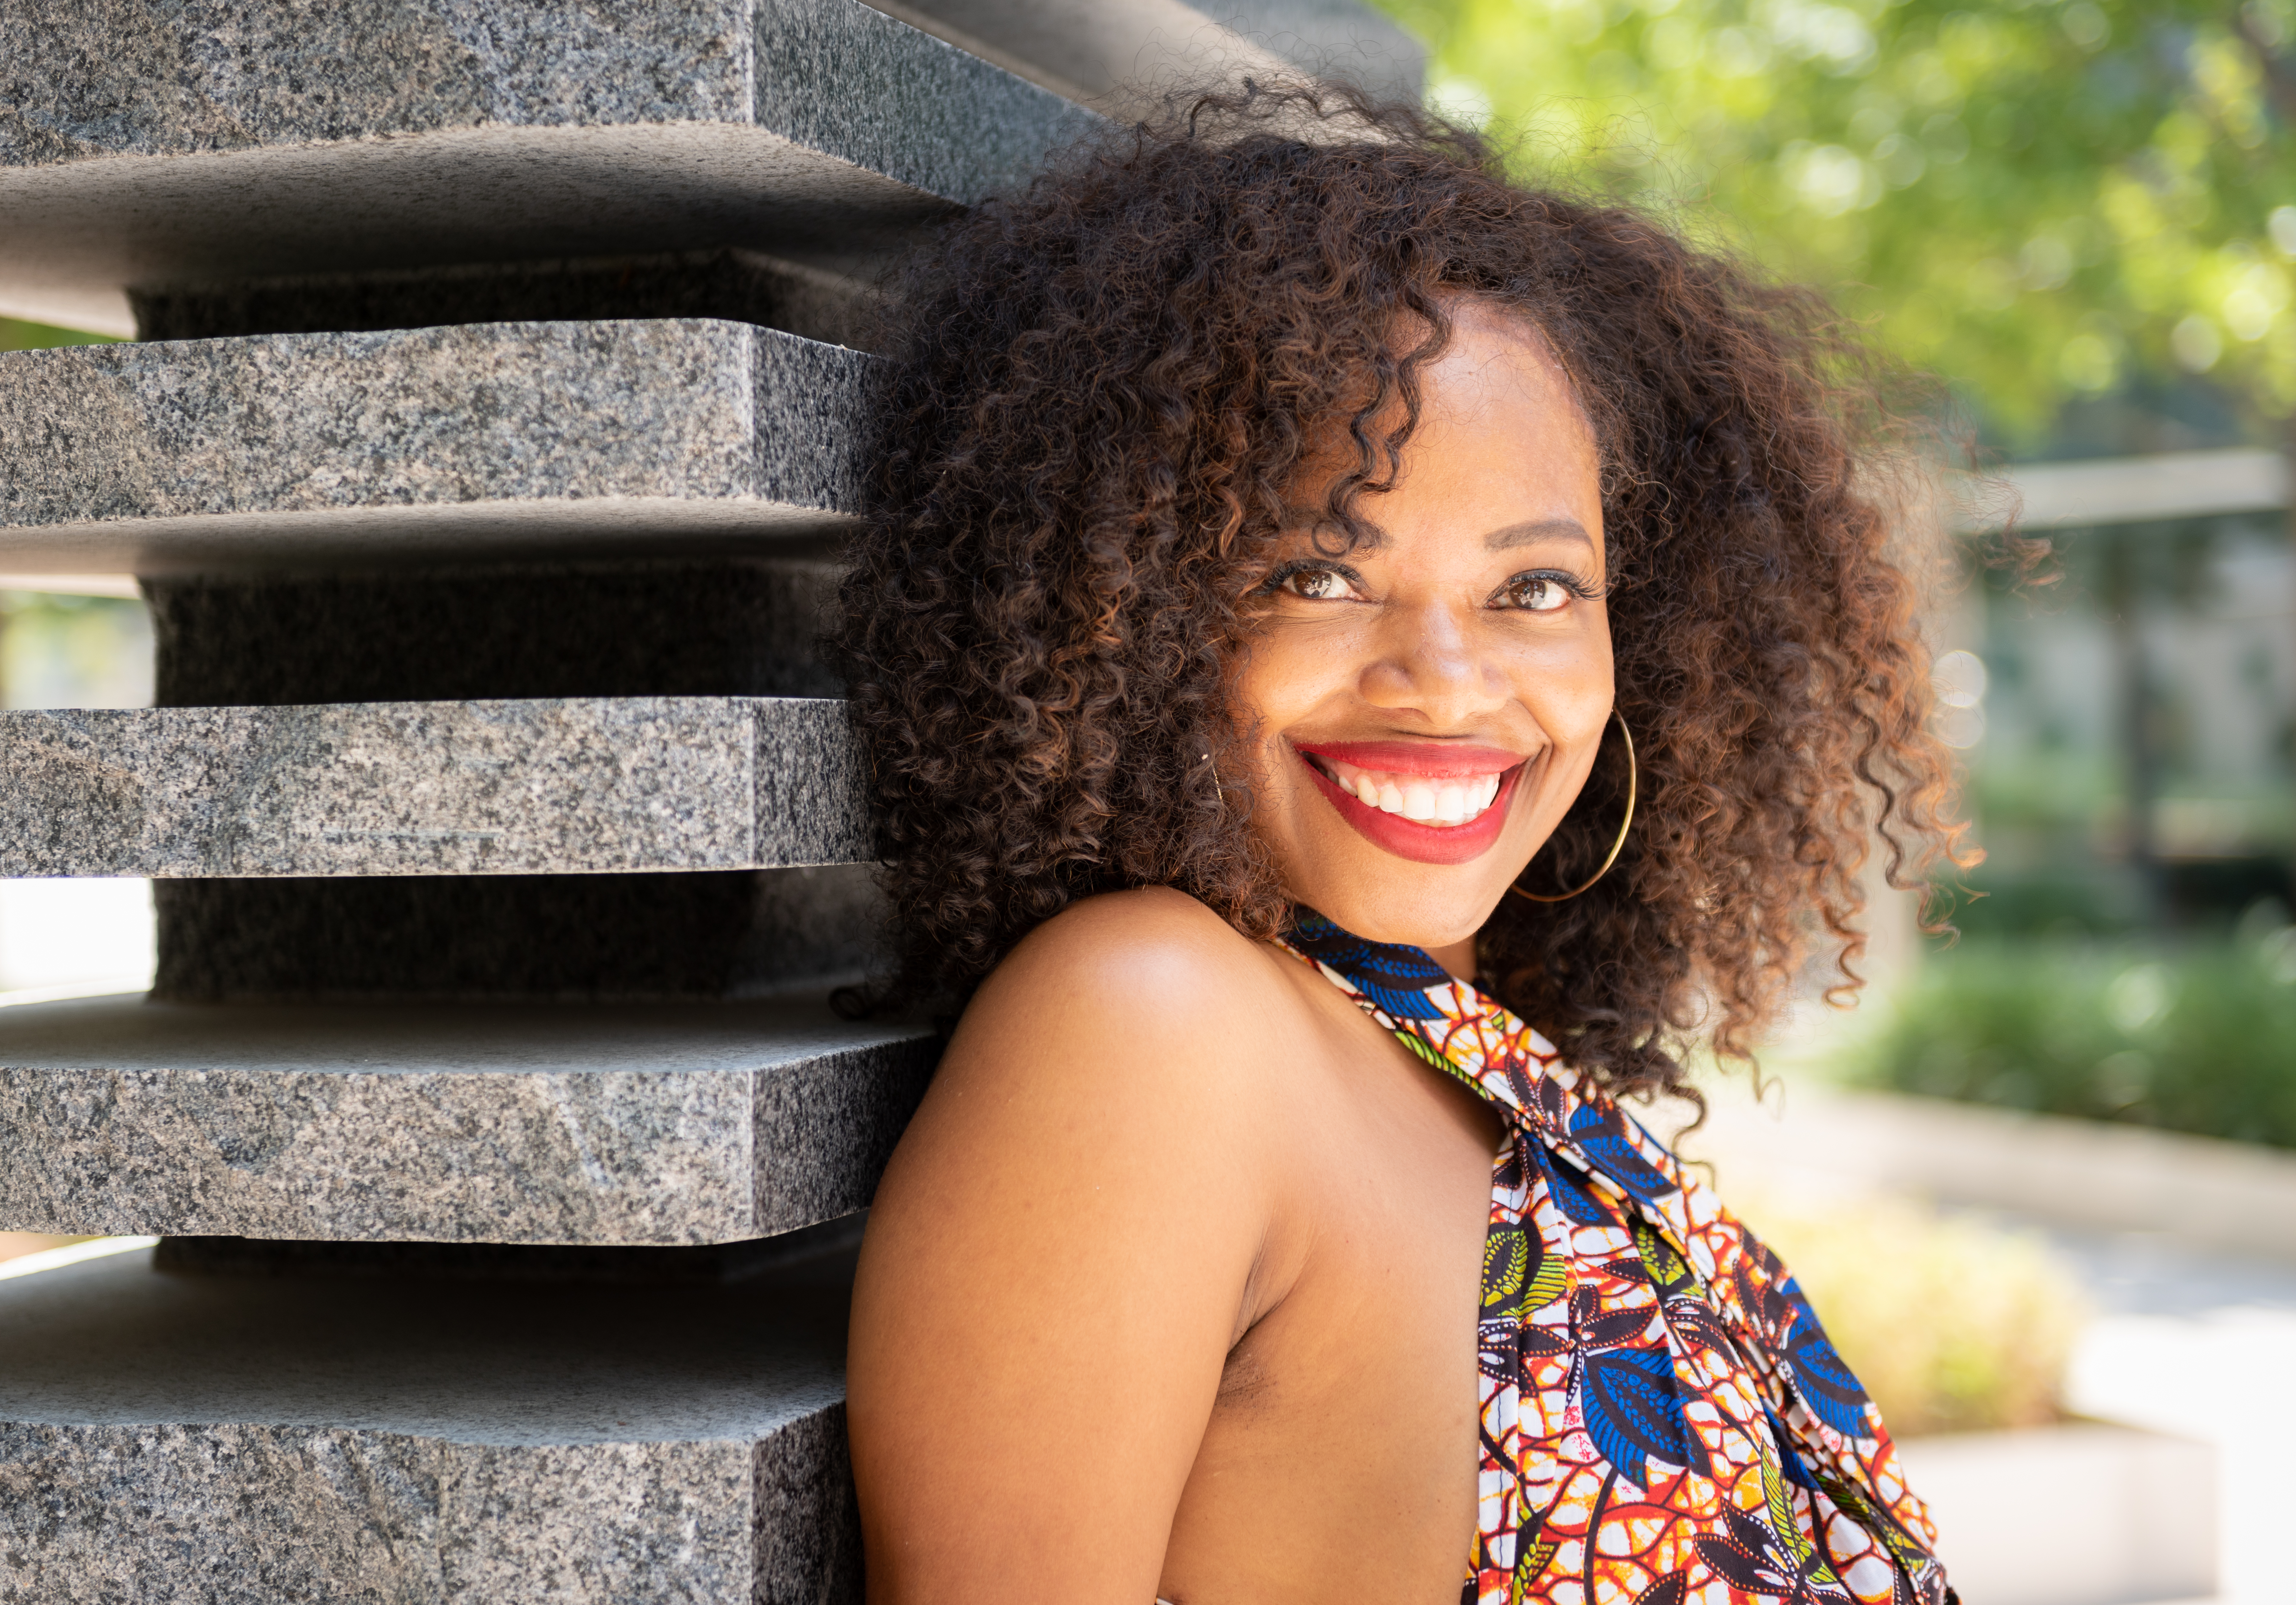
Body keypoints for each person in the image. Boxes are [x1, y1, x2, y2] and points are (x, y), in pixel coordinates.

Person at [834, 86, 1964, 1605]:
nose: (1443, 681)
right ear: (1136, 615)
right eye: (1316, 572)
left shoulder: (1461, 1049)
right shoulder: (1149, 1024)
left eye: (1536, 590)